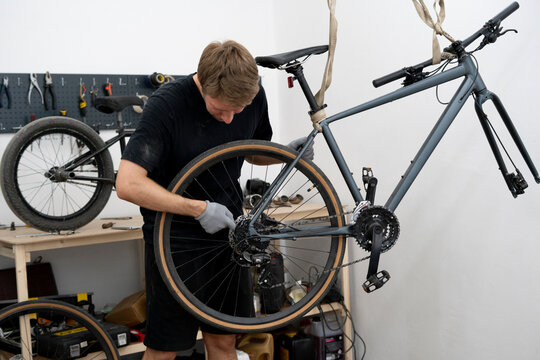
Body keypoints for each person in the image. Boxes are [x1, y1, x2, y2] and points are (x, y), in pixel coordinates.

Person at [116, 40, 313, 360]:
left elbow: (249, 149)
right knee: (165, 349)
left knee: (223, 342)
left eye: (238, 111)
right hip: (173, 238)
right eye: (221, 109)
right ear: (202, 85)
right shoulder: (167, 105)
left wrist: (284, 154)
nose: (229, 119)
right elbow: (127, 184)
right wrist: (197, 208)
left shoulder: (252, 95)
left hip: (229, 233)